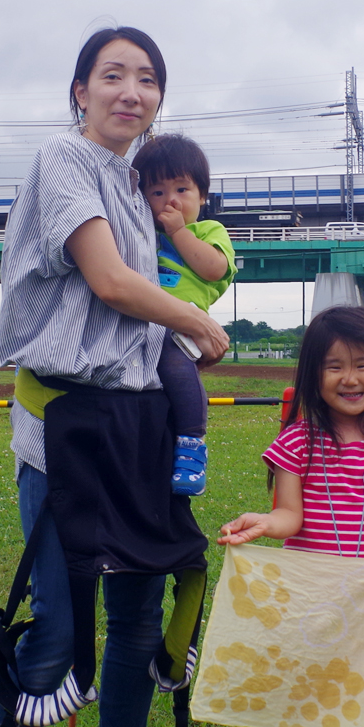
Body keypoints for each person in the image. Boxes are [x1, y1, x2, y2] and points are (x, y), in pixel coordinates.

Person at [0, 25, 229, 727]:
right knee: (58, 624)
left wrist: (178, 334)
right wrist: (195, 323)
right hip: (68, 425)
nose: (132, 92)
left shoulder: (137, 185)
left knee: (137, 620)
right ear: (80, 91)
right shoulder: (65, 159)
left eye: (148, 79)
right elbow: (110, 281)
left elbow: (173, 282)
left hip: (137, 426)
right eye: (113, 75)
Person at [217, 305, 364, 727]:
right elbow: (288, 515)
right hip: (317, 596)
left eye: (361, 365)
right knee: (313, 695)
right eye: (334, 366)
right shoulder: (297, 442)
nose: (349, 378)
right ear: (314, 374)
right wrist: (262, 522)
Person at [130, 133, 236, 495]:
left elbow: (214, 269)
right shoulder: (142, 232)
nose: (170, 200)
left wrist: (178, 233)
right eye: (157, 192)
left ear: (202, 196)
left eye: (182, 189)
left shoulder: (208, 230)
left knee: (178, 370)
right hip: (140, 323)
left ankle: (192, 443)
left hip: (182, 328)